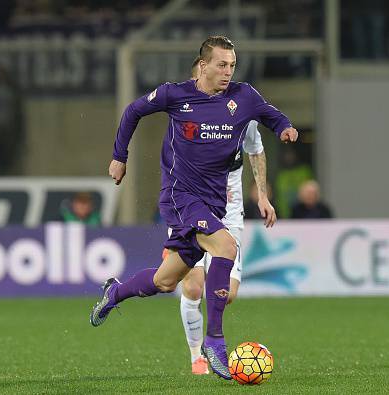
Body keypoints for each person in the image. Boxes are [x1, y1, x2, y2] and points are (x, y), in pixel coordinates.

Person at [89, 35, 298, 380]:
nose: (228, 71)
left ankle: (115, 292)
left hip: (214, 202)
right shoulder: (176, 95)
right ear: (203, 65)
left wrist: (286, 127)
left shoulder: (243, 97)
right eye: (221, 65)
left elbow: (271, 115)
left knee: (165, 281)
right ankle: (214, 341)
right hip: (180, 196)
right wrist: (119, 156)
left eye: (232, 65)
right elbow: (133, 111)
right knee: (225, 246)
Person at [176, 56, 275, 375]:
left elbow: (256, 150)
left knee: (226, 294)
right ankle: (197, 357)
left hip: (229, 211)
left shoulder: (241, 115)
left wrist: (262, 194)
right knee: (192, 287)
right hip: (190, 208)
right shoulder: (183, 115)